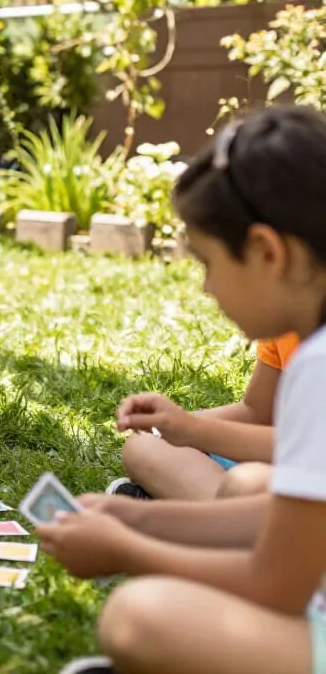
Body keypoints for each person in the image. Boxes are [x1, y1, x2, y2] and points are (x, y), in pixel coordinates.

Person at [39, 105, 326, 674]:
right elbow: (282, 518)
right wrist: (135, 520)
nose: (205, 287)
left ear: (268, 252)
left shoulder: (318, 365)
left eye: (209, 263)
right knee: (243, 489)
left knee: (139, 616)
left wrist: (128, 550)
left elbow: (275, 582)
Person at [107, 331, 298, 501]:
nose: (208, 290)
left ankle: (218, 523)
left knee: (247, 485)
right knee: (146, 443)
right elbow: (257, 412)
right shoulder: (285, 331)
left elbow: (311, 449)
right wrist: (172, 424)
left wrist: (194, 430)